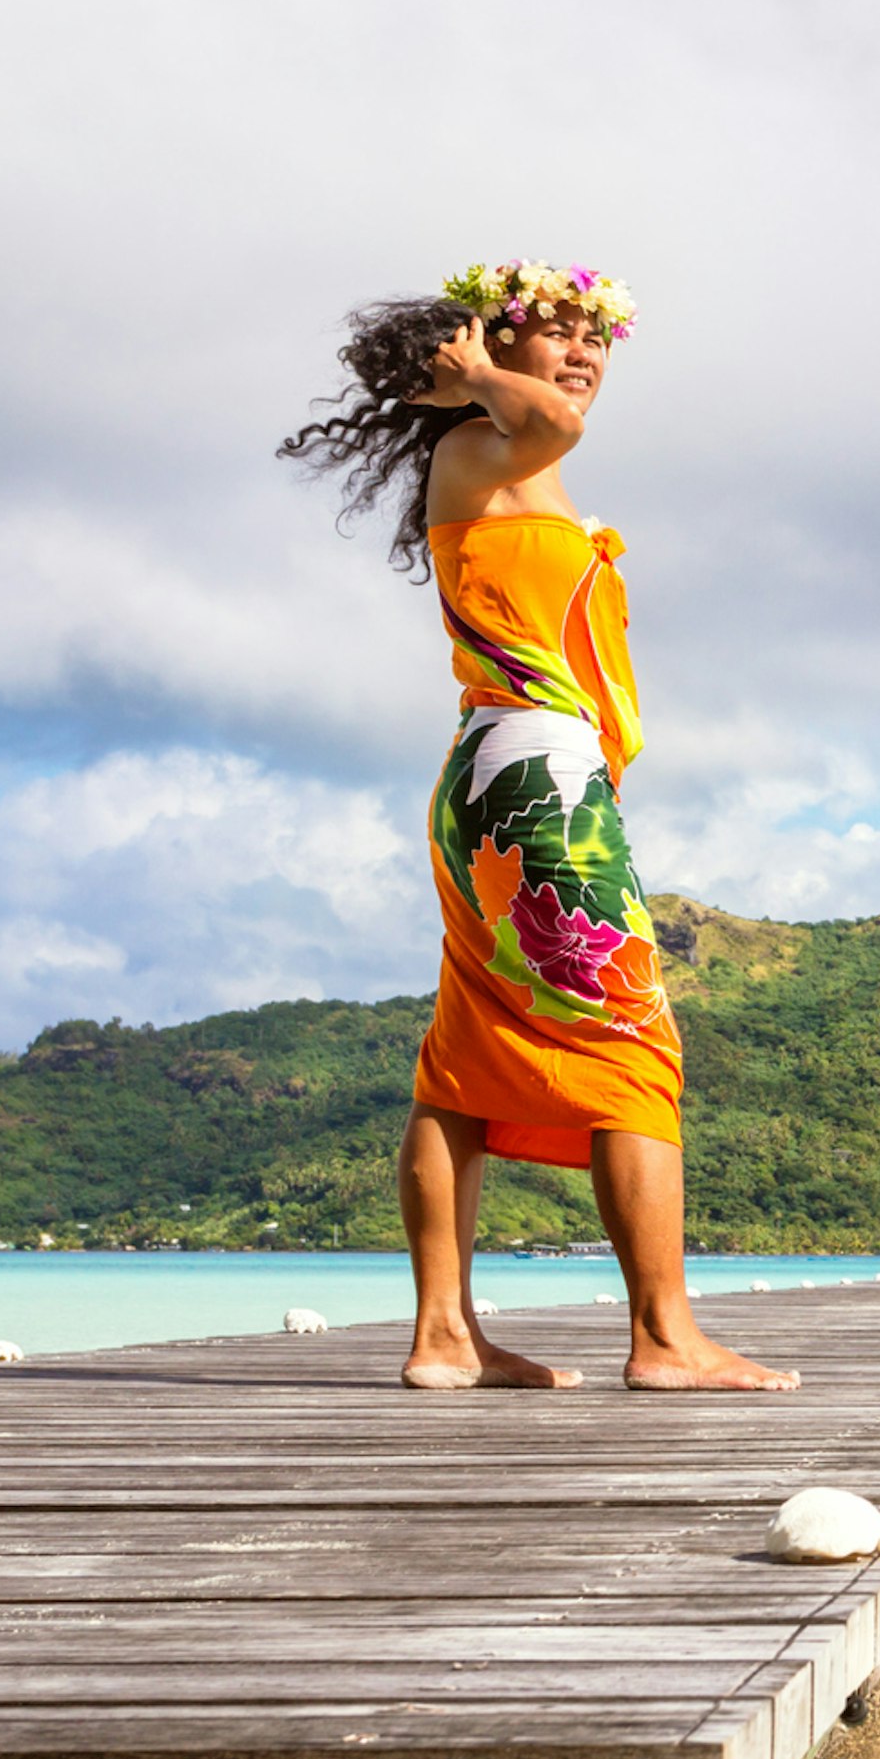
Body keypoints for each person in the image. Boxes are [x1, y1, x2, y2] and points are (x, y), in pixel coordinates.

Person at [279, 264, 794, 1392]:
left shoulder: (513, 465)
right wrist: (475, 376)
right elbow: (553, 417)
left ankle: (446, 1336)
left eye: (594, 339)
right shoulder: (487, 443)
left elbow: (554, 422)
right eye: (552, 335)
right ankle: (665, 1338)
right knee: (634, 1048)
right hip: (530, 775)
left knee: (462, 1061)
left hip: (500, 776)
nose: (582, 358)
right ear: (480, 350)